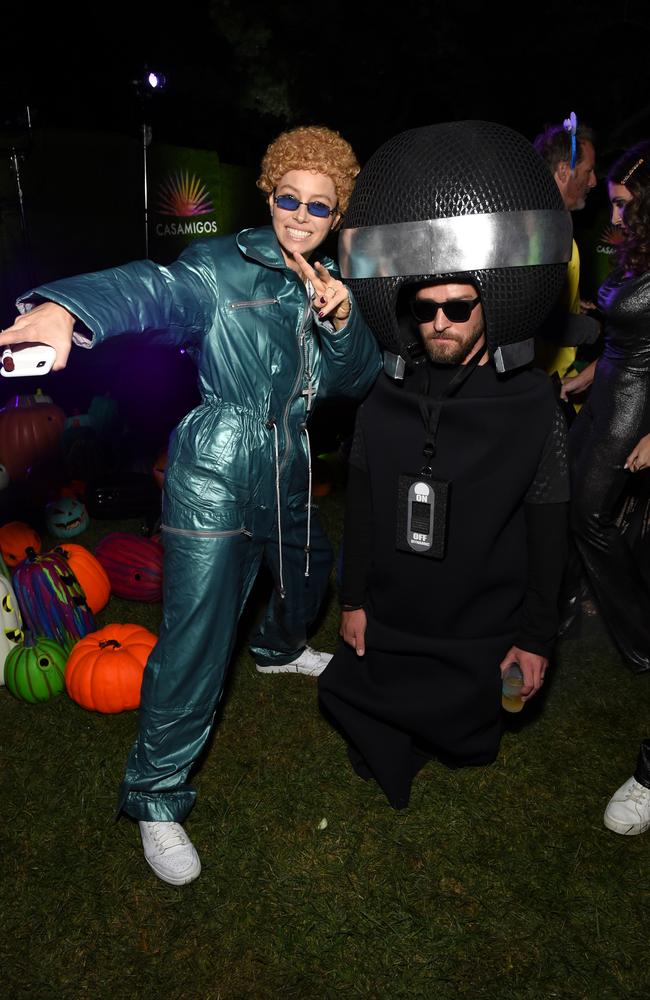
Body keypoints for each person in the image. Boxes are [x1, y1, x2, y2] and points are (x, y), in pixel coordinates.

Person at [0, 124, 382, 883]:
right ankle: (155, 797)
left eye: (319, 205)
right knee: (197, 637)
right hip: (215, 464)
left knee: (307, 570)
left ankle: (276, 650)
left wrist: (341, 321)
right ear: (268, 193)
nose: (301, 215)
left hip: (290, 455)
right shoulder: (218, 264)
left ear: (336, 215)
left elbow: (357, 379)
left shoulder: (331, 280)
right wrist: (67, 311)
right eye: (288, 198)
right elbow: (153, 288)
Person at [317, 120, 572, 809]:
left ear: (492, 301)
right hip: (399, 606)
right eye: (424, 309)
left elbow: (549, 528)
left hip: (479, 615)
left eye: (459, 306)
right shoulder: (385, 396)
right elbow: (363, 504)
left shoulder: (531, 405)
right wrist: (356, 601)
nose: (440, 323)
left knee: (469, 722)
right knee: (353, 692)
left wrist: (535, 637)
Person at [559, 139, 650, 675]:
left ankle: (641, 636)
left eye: (622, 204)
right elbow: (621, 341)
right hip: (605, 390)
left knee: (592, 516)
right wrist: (578, 383)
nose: (612, 212)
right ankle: (561, 608)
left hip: (635, 405)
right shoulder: (635, 250)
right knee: (568, 497)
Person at [532, 120, 600, 381]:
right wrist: (590, 329)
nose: (593, 181)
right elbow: (533, 316)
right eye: (588, 171)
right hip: (544, 382)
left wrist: (572, 303)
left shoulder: (560, 221)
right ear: (563, 172)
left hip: (559, 375)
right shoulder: (541, 229)